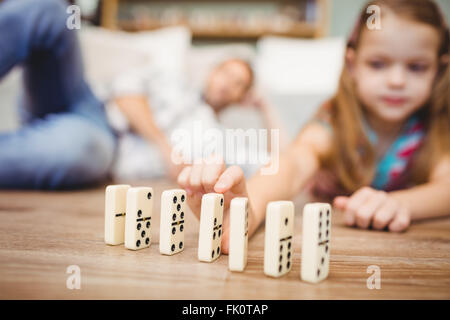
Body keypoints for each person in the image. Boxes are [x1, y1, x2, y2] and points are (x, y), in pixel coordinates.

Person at [176, 0, 450, 254]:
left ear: (439, 70)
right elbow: (293, 166)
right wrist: (248, 209)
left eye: (416, 67)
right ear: (352, 65)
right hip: (337, 248)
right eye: (378, 64)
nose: (397, 80)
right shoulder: (334, 120)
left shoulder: (436, 126)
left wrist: (401, 204)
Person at [109, 58, 289, 180]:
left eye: (238, 83)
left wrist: (266, 107)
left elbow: (281, 162)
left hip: (123, 176)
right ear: (211, 72)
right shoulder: (172, 85)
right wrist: (166, 150)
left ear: (242, 97)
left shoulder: (222, 141)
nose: (227, 83)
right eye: (225, 73)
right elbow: (124, 93)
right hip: (105, 131)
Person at [0, 0, 115, 190]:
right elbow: (129, 93)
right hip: (89, 108)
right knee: (51, 12)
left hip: (99, 141)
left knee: (76, 149)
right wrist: (164, 147)